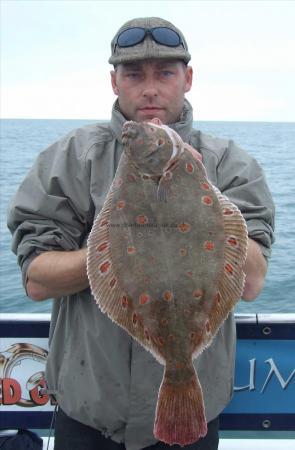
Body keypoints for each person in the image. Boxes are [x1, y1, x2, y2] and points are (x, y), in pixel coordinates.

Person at [7, 17, 275, 450]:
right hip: (88, 413)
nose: (149, 89)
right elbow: (37, 279)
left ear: (187, 79)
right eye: (134, 75)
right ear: (114, 82)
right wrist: (120, 248)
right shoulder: (70, 158)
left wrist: (200, 190)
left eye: (165, 74)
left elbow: (252, 281)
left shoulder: (231, 163)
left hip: (196, 410)